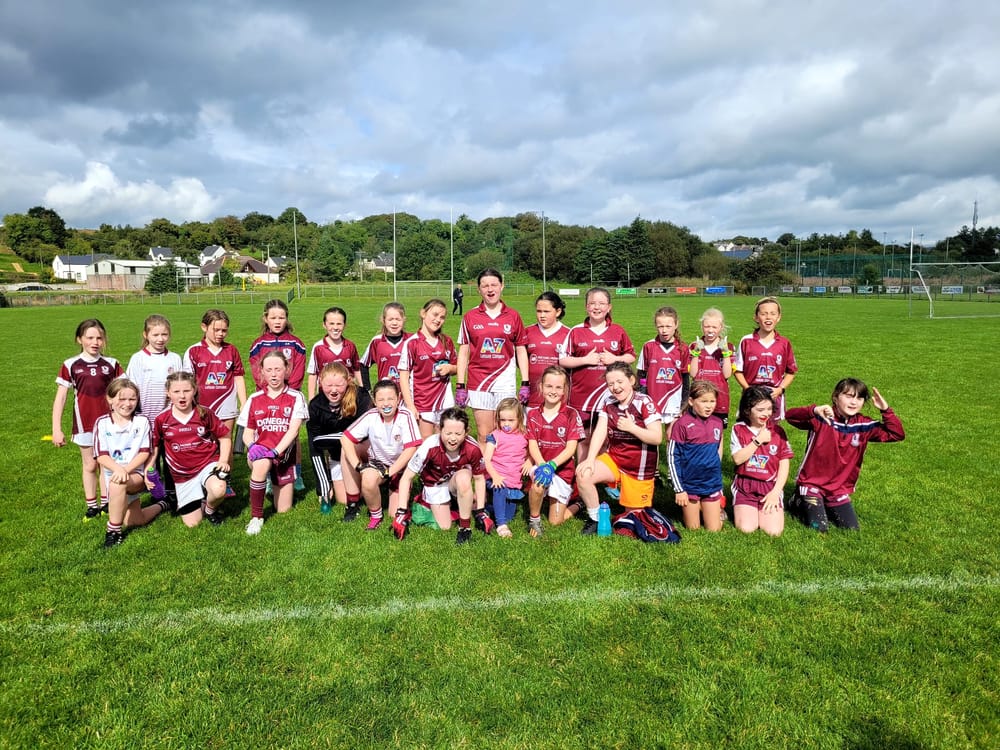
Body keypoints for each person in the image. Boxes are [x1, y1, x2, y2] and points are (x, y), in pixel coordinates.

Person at [785, 378, 905, 532]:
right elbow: (790, 416)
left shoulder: (864, 425)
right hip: (812, 484)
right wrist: (814, 410)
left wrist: (886, 410)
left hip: (838, 489)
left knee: (851, 529)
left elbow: (897, 434)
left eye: (859, 398)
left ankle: (823, 503)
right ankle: (797, 501)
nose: (854, 402)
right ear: (835, 398)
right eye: (848, 396)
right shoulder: (822, 418)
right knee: (819, 527)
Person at [575, 363, 661, 534]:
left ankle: (632, 509)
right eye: (610, 384)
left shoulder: (644, 402)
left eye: (619, 382)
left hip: (639, 468)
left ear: (631, 380)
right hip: (614, 459)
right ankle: (595, 519)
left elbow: (657, 437)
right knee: (583, 473)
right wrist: (591, 458)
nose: (615, 387)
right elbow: (600, 430)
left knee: (635, 522)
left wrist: (632, 427)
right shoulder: (608, 401)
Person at [52, 318, 124, 520]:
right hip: (84, 423)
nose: (95, 342)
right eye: (90, 337)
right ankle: (92, 505)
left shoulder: (112, 364)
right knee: (90, 465)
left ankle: (107, 502)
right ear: (79, 339)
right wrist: (56, 428)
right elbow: (61, 398)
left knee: (107, 464)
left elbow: (123, 392)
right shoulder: (70, 364)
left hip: (109, 423)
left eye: (99, 338)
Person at [392, 407, 491, 545]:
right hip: (435, 485)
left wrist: (481, 511)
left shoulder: (472, 448)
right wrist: (401, 512)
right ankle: (425, 502)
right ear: (439, 430)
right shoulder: (429, 446)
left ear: (466, 432)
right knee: (445, 526)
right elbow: (407, 477)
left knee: (464, 479)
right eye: (448, 433)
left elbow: (479, 479)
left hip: (456, 481)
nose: (452, 438)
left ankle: (465, 528)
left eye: (458, 433)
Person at [559, 286, 636, 461]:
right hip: (581, 398)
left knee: (607, 438)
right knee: (583, 438)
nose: (597, 307)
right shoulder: (576, 331)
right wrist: (585, 360)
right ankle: (582, 477)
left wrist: (615, 359)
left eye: (601, 303)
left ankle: (604, 479)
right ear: (586, 307)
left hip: (611, 396)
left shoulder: (618, 331)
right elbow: (563, 360)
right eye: (592, 303)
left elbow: (631, 356)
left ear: (609, 307)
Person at [455, 269, 529, 449]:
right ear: (479, 290)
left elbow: (521, 349)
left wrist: (525, 382)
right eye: (485, 285)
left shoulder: (513, 316)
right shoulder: (470, 316)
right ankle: (484, 475)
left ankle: (505, 472)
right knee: (484, 433)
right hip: (479, 382)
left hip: (505, 381)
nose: (490, 289)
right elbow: (463, 352)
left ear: (501, 286)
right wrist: (460, 385)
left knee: (506, 431)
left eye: (494, 284)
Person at [93, 378, 170, 547]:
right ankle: (163, 505)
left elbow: (144, 453)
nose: (127, 404)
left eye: (132, 399)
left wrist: (125, 470)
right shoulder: (102, 423)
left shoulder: (142, 422)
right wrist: (117, 469)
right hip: (114, 472)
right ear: (110, 399)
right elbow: (101, 456)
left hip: (135, 475)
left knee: (118, 482)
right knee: (135, 521)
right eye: (122, 399)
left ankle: (113, 532)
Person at [238, 351, 309, 535]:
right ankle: (256, 517)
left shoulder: (296, 397)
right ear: (262, 372)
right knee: (262, 463)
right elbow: (247, 432)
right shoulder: (254, 399)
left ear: (287, 370)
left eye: (278, 369)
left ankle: (270, 480)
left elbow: (293, 431)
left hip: (284, 457)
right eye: (269, 370)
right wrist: (252, 446)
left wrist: (276, 451)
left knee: (283, 510)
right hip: (261, 454)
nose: (274, 374)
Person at [150, 372, 232, 527]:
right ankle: (202, 497)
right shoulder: (161, 419)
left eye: (186, 391)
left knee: (219, 488)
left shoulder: (204, 413)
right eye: (176, 392)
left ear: (194, 390)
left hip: (207, 464)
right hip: (182, 475)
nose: (182, 396)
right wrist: (150, 467)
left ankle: (210, 509)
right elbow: (155, 446)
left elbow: (225, 437)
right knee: (192, 524)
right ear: (168, 393)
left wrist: (223, 460)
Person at [340, 379, 422, 530]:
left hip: (401, 468)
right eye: (381, 399)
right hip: (379, 464)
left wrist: (390, 472)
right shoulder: (371, 416)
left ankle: (408, 496)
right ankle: (376, 515)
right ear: (375, 401)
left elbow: (412, 448)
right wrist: (359, 467)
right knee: (368, 479)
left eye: (390, 398)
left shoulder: (406, 416)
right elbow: (345, 438)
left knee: (394, 514)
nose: (386, 403)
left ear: (398, 398)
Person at [183, 309, 246, 490]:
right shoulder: (193, 351)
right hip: (202, 407)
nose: (220, 334)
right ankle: (201, 481)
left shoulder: (231, 350)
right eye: (215, 330)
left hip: (227, 405)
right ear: (204, 327)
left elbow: (238, 377)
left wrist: (243, 403)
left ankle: (225, 481)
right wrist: (190, 405)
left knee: (225, 442)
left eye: (224, 330)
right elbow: (187, 382)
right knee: (202, 444)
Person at [248, 299, 308, 490]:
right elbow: (257, 371)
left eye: (281, 317)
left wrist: (287, 390)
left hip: (289, 396)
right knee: (264, 435)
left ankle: (296, 473)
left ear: (286, 319)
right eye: (273, 317)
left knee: (294, 436)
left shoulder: (296, 343)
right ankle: (265, 476)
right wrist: (269, 390)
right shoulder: (258, 344)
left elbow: (298, 370)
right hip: (266, 396)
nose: (277, 321)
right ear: (265, 319)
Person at [307, 362, 373, 520]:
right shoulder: (316, 405)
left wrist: (329, 439)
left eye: (339, 385)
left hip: (364, 454)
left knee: (368, 488)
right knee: (343, 499)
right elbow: (314, 448)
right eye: (328, 385)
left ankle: (374, 481)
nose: (334, 390)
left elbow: (366, 434)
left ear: (349, 381)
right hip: (338, 458)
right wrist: (323, 487)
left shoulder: (361, 396)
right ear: (320, 382)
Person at [525, 366, 585, 537]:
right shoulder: (533, 414)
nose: (553, 391)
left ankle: (579, 503)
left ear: (565, 389)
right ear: (541, 387)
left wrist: (552, 465)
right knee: (538, 483)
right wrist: (543, 465)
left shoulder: (571, 414)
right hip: (542, 465)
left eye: (558, 387)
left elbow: (571, 448)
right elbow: (533, 444)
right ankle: (534, 519)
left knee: (555, 522)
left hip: (561, 470)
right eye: (549, 386)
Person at [730, 386, 793, 536]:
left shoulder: (778, 432)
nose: (766, 414)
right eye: (760, 410)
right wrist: (758, 441)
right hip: (746, 486)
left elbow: (784, 464)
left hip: (769, 486)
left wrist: (775, 493)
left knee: (773, 531)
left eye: (769, 409)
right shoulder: (738, 429)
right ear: (747, 410)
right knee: (746, 528)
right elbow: (737, 459)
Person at [667, 380, 725, 532]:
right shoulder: (681, 424)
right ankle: (698, 506)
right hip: (689, 485)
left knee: (714, 529)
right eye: (704, 401)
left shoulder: (717, 423)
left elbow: (717, 452)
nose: (709, 405)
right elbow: (673, 457)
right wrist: (679, 489)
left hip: (711, 483)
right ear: (691, 401)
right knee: (693, 529)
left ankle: (716, 509)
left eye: (712, 401)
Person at [399, 298, 458, 438]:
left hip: (445, 402)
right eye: (435, 314)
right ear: (423, 314)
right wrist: (410, 405)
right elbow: (403, 377)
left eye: (442, 317)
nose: (438, 320)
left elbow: (458, 367)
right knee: (425, 445)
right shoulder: (412, 343)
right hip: (422, 403)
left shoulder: (446, 341)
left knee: (443, 442)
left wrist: (450, 368)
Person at [733, 297, 797, 420]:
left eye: (773, 314)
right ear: (756, 317)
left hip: (774, 395)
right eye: (763, 314)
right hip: (751, 394)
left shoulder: (784, 343)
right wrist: (748, 389)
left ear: (778, 317)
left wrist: (780, 389)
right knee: (747, 432)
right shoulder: (746, 341)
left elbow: (791, 371)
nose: (768, 317)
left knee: (772, 433)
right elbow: (737, 370)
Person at [483, 398, 532, 537]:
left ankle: (483, 510)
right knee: (501, 492)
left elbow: (531, 452)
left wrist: (529, 461)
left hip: (514, 481)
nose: (506, 424)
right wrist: (495, 476)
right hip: (496, 478)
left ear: (520, 419)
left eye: (511, 420)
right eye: (502, 420)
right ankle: (501, 526)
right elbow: (486, 459)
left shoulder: (525, 436)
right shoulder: (495, 436)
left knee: (509, 515)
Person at [637, 305, 690, 431]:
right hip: (652, 399)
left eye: (668, 326)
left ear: (676, 324)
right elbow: (641, 375)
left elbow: (686, 378)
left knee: (671, 438)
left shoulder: (683, 348)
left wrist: (684, 404)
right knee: (652, 438)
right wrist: (643, 396)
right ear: (656, 325)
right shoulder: (648, 346)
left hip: (674, 401)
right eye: (660, 326)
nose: (664, 330)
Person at [126, 314, 182, 420]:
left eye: (164, 334)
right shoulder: (138, 358)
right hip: (143, 416)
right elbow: (131, 388)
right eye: (155, 335)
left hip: (168, 417)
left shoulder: (175, 358)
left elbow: (179, 387)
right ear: (146, 335)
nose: (160, 339)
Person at [522, 291, 569, 408]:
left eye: (546, 311)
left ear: (558, 312)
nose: (542, 315)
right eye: (539, 311)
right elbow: (521, 361)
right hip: (532, 398)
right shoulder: (527, 332)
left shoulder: (569, 334)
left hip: (559, 400)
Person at [689, 307, 735, 426]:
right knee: (697, 431)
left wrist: (725, 353)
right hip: (699, 396)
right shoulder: (694, 345)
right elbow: (693, 374)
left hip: (720, 397)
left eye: (714, 327)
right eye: (707, 326)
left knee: (718, 432)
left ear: (721, 327)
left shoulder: (728, 346)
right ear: (702, 327)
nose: (710, 330)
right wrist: (696, 352)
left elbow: (727, 374)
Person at [307, 306, 362, 400]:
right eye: (331, 323)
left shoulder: (350, 346)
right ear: (324, 325)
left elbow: (357, 370)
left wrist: (362, 390)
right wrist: (311, 398)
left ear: (345, 325)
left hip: (348, 396)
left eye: (339, 324)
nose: (335, 327)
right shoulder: (318, 347)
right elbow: (313, 374)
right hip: (326, 396)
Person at [360, 302, 407, 389]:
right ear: (383, 320)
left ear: (404, 319)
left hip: (409, 396)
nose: (394, 323)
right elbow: (363, 365)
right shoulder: (377, 341)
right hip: (386, 395)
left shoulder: (411, 340)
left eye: (398, 319)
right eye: (390, 319)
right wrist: (367, 391)